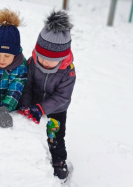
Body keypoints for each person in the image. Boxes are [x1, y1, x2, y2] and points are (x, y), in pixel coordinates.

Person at [18, 10, 76, 180]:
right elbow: (27, 85)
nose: (43, 62)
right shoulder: (32, 63)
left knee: (55, 136)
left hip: (56, 110)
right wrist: (26, 105)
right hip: (34, 104)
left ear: (61, 57)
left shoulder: (68, 72)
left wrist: (41, 109)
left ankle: (58, 160)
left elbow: (62, 97)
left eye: (49, 60)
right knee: (30, 130)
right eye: (40, 57)